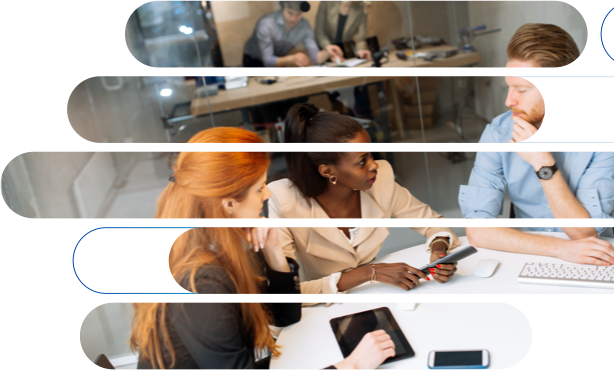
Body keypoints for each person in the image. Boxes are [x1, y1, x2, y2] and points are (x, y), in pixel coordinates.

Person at [131, 127, 395, 370]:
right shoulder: (202, 282)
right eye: (259, 189)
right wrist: (353, 366)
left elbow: (284, 315)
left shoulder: (225, 241)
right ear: (229, 204)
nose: (267, 195)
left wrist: (273, 250)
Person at [459, 24, 614, 267]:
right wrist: (559, 250)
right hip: (526, 252)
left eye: (522, 89)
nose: (509, 101)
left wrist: (543, 163)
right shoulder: (498, 133)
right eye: (509, 86)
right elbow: (477, 230)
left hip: (592, 257)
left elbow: (583, 234)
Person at [268, 104, 461, 295]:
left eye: (371, 155)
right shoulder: (284, 199)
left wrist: (439, 251)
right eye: (362, 161)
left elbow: (433, 224)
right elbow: (283, 293)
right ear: (327, 171)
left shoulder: (380, 180)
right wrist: (369, 273)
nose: (374, 165)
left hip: (380, 293)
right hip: (326, 304)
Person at [243, 0, 336, 67]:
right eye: (290, 13)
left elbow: (315, 58)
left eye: (298, 14)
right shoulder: (267, 24)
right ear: (283, 8)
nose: (294, 18)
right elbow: (267, 61)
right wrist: (291, 59)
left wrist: (327, 51)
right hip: (254, 61)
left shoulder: (304, 25)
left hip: (280, 60)